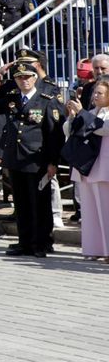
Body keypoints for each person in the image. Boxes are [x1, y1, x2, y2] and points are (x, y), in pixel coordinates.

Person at [0, 57, 65, 257]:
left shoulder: (46, 100)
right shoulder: (12, 98)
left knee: (39, 204)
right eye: (19, 77)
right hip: (16, 159)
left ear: (34, 78)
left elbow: (54, 134)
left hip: (36, 160)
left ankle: (42, 243)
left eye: (28, 77)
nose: (24, 81)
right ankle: (25, 242)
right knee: (21, 203)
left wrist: (53, 162)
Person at [66, 78, 109, 261]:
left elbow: (103, 129)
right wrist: (72, 117)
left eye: (100, 93)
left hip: (104, 167)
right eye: (95, 93)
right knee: (90, 211)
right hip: (86, 167)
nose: (95, 96)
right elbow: (69, 131)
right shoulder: (90, 112)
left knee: (106, 211)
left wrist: (82, 113)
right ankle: (94, 248)